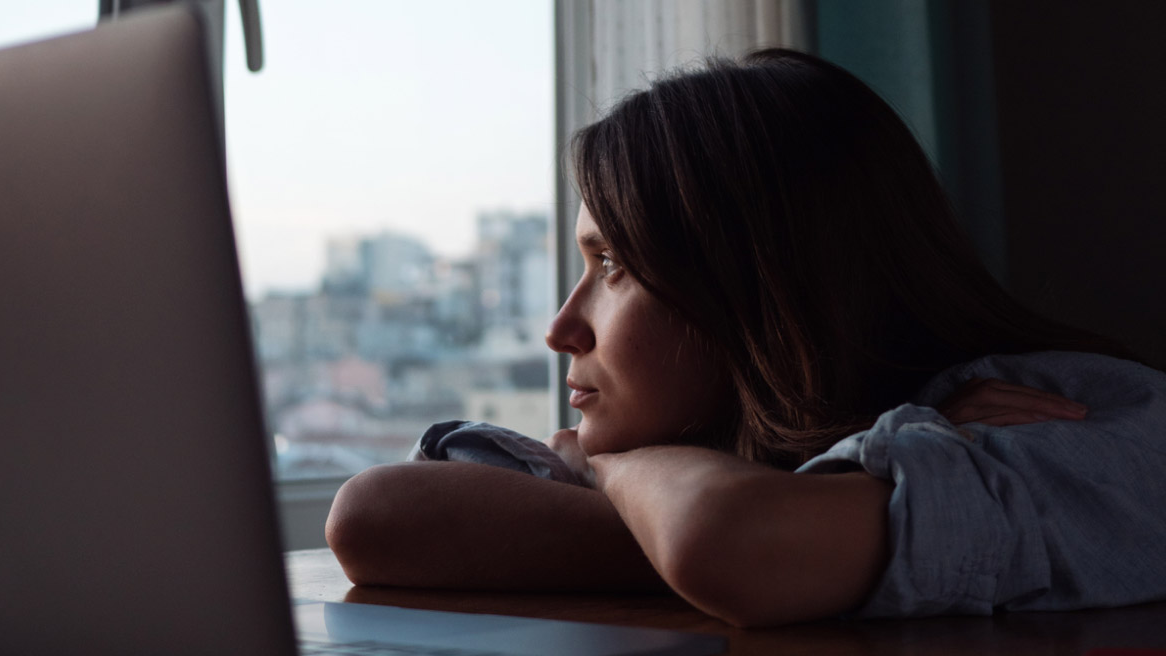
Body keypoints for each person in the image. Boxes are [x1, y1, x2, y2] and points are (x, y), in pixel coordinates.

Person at [325, 48, 1166, 627]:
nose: (561, 329)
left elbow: (734, 541)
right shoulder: (691, 454)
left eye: (614, 263)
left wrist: (621, 475)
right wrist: (750, 523)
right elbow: (373, 517)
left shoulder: (1068, 420)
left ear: (766, 283)